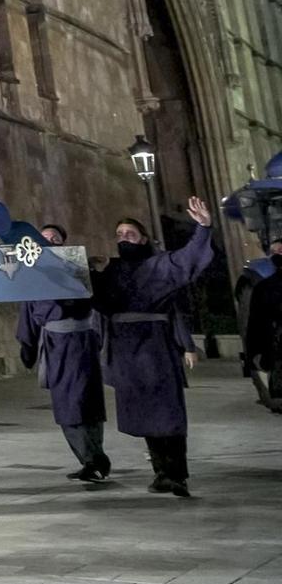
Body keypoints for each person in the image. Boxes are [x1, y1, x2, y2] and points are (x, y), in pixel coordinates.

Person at [94, 197, 215, 496]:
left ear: (144, 238)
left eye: (130, 234)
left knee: (167, 413)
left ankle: (177, 474)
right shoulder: (112, 271)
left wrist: (203, 227)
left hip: (155, 349)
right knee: (145, 415)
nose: (124, 239)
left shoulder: (160, 264)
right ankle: (161, 473)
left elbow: (188, 260)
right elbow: (93, 299)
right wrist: (89, 272)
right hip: (125, 351)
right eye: (119, 235)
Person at [14, 223, 109, 481]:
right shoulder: (32, 275)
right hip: (55, 344)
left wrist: (87, 269)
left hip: (80, 343)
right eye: (44, 239)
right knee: (66, 403)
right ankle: (91, 458)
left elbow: (93, 299)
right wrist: (28, 346)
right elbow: (28, 313)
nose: (49, 242)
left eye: (54, 239)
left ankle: (93, 456)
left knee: (85, 399)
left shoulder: (77, 270)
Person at [244, 239, 282, 412]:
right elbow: (256, 324)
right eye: (277, 252)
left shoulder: (264, 288)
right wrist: (254, 354)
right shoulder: (264, 288)